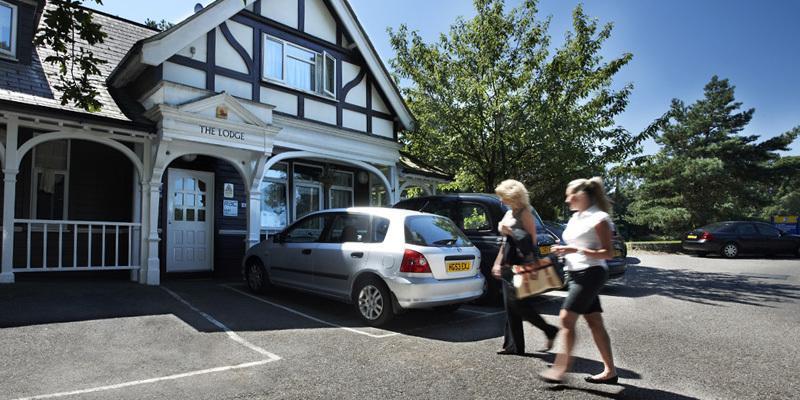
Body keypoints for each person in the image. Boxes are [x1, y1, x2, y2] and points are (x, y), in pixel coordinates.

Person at [539, 177, 618, 384]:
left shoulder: (599, 218)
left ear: (582, 195)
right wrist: (562, 248)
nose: (567, 200)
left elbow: (608, 253)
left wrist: (574, 249)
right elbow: (575, 243)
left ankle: (560, 370)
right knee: (594, 321)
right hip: (574, 273)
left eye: (570, 195)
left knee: (566, 318)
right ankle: (610, 371)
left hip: (591, 273)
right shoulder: (576, 217)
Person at [491, 179, 560, 355]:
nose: (500, 200)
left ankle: (549, 329)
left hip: (521, 264)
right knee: (509, 306)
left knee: (519, 305)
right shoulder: (509, 213)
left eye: (503, 196)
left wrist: (510, 231)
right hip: (507, 262)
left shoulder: (525, 213)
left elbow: (531, 242)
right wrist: (498, 262)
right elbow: (505, 242)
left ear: (513, 196)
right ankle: (513, 346)